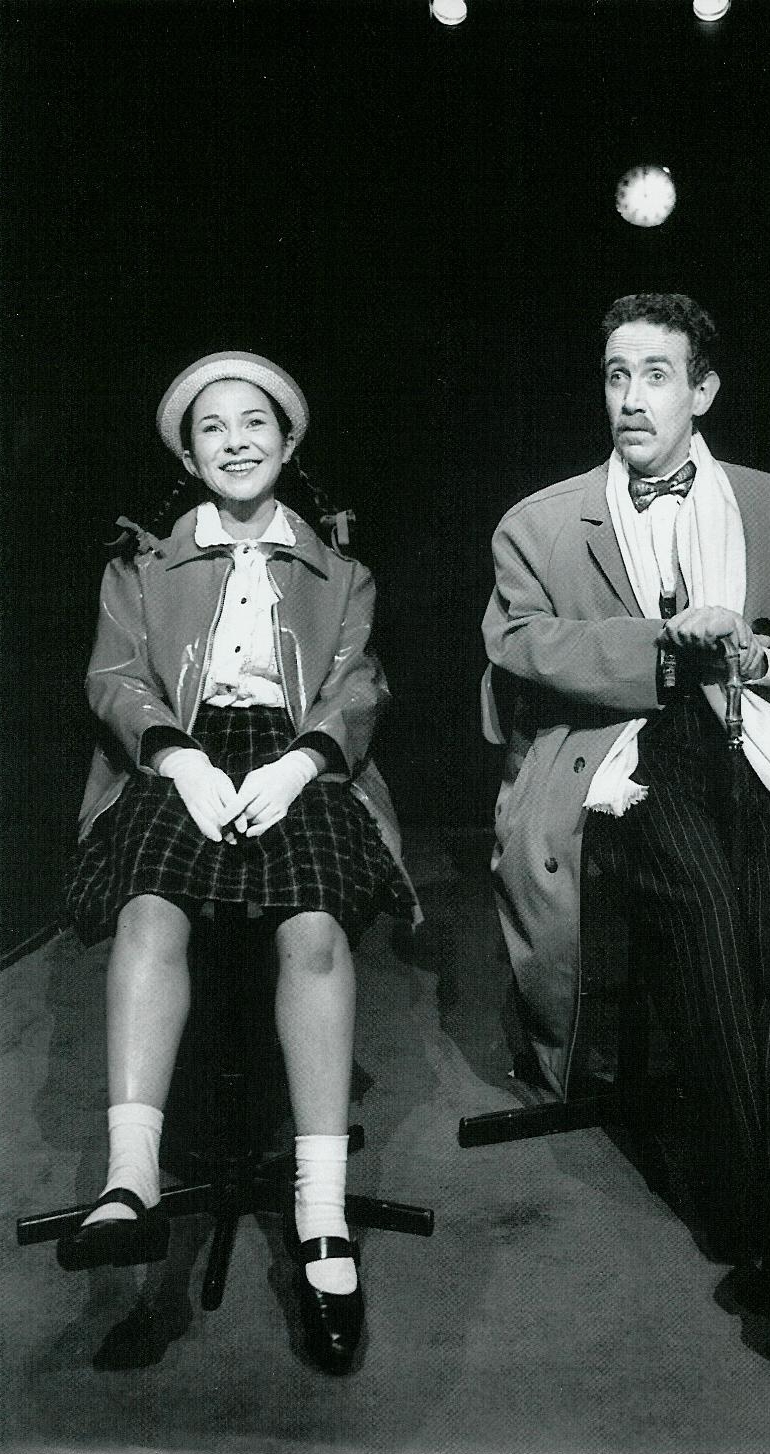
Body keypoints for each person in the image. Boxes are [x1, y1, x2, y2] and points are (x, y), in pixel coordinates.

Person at [482, 293, 770, 1325]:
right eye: (616, 375)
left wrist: (761, 653)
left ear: (703, 390)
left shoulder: (769, 503)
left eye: (656, 375)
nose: (631, 399)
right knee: (708, 914)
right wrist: (665, 647)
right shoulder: (540, 521)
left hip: (744, 739)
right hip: (624, 750)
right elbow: (521, 644)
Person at [60, 350, 420, 1372]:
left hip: (299, 758)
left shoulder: (340, 568)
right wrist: (176, 758)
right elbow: (114, 676)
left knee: (313, 930)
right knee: (149, 909)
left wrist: (304, 763)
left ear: (288, 439)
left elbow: (358, 684)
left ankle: (322, 1215)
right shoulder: (140, 564)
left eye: (254, 421)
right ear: (188, 455)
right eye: (211, 428)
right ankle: (131, 1179)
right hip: (178, 753)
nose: (235, 441)